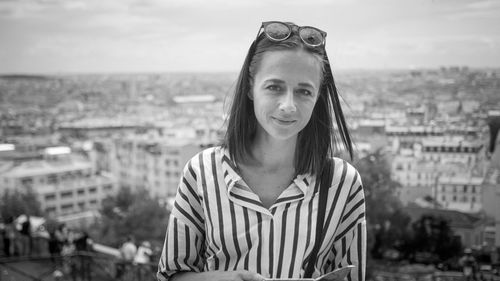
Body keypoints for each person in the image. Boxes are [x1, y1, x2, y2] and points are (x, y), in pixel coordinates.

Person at [157, 21, 366, 281]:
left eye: (303, 91)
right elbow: (171, 273)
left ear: (317, 98)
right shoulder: (202, 173)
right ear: (249, 88)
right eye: (274, 87)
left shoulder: (342, 183)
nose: (288, 105)